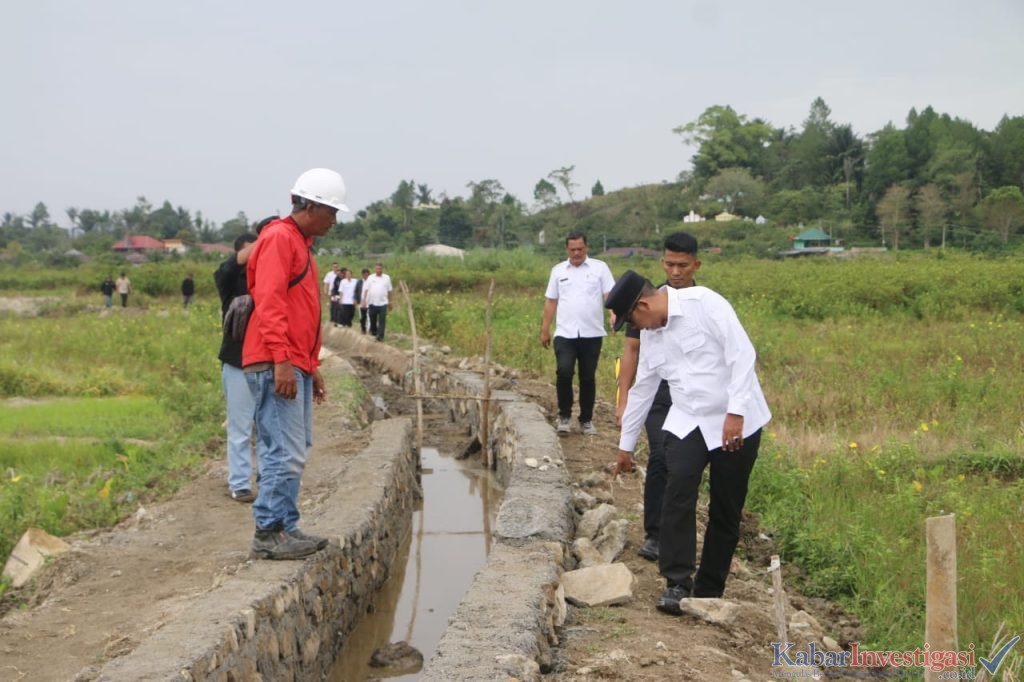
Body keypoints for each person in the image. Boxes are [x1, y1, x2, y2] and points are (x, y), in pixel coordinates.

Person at [606, 270, 771, 615]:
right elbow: (643, 389)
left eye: (633, 319)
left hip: (735, 420)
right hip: (688, 418)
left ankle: (709, 589)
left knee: (726, 507)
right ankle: (677, 582)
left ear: (644, 304)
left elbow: (742, 355)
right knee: (677, 488)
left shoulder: (706, 304)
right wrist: (625, 445)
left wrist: (736, 413)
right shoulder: (652, 334)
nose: (637, 329)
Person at [242, 167, 348, 560]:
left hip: (292, 361)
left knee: (295, 448)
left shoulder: (298, 244)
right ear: (312, 206)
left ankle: (285, 526)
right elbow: (269, 303)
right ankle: (268, 533)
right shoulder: (279, 240)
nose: (335, 221)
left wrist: (309, 364)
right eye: (332, 212)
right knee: (282, 451)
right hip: (274, 362)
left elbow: (299, 311)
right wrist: (282, 362)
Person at [616, 232, 701, 562]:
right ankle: (655, 532)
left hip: (690, 396)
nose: (676, 272)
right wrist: (623, 398)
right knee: (661, 456)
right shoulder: (644, 299)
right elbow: (632, 349)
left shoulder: (705, 302)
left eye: (682, 265)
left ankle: (676, 535)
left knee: (682, 465)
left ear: (695, 264)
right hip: (657, 393)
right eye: (669, 264)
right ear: (662, 263)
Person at [539, 232, 615, 436]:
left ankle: (586, 420)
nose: (576, 253)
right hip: (565, 333)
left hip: (592, 333)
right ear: (567, 249)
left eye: (580, 249)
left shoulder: (600, 268)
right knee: (564, 372)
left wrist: (613, 313)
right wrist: (545, 328)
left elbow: (609, 295)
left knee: (588, 377)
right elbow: (551, 300)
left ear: (586, 248)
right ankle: (564, 416)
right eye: (572, 249)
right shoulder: (558, 271)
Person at [214, 232, 262, 503]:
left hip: (265, 363)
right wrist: (264, 243)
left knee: (266, 427)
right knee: (240, 427)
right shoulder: (230, 281)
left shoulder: (267, 278)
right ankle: (240, 483)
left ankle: (266, 479)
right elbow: (227, 267)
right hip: (237, 363)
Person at [362, 262, 392, 341]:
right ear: (375, 269)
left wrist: (390, 302)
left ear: (382, 269)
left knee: (382, 321)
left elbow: (389, 291)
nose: (378, 270)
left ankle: (380, 337)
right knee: (373, 320)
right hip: (372, 303)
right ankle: (374, 333)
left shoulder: (387, 278)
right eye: (377, 268)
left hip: (383, 303)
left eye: (380, 268)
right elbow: (366, 290)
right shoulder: (371, 278)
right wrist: (364, 301)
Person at [356, 268, 370, 334]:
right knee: (362, 316)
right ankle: (363, 329)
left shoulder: (371, 282)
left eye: (367, 275)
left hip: (369, 301)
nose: (366, 276)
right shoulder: (359, 282)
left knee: (369, 316)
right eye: (365, 275)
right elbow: (356, 291)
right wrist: (357, 300)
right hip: (361, 302)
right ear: (362, 275)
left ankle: (369, 329)